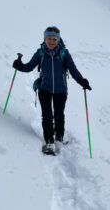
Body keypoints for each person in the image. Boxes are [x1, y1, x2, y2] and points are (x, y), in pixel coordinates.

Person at [13, 26, 91, 154]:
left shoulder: (64, 53)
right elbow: (29, 67)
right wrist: (19, 66)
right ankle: (49, 142)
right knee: (47, 116)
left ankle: (59, 138)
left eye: (54, 39)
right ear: (45, 39)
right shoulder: (40, 53)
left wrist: (81, 80)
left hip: (61, 90)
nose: (52, 41)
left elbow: (73, 69)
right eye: (49, 38)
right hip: (44, 88)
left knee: (59, 115)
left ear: (58, 40)